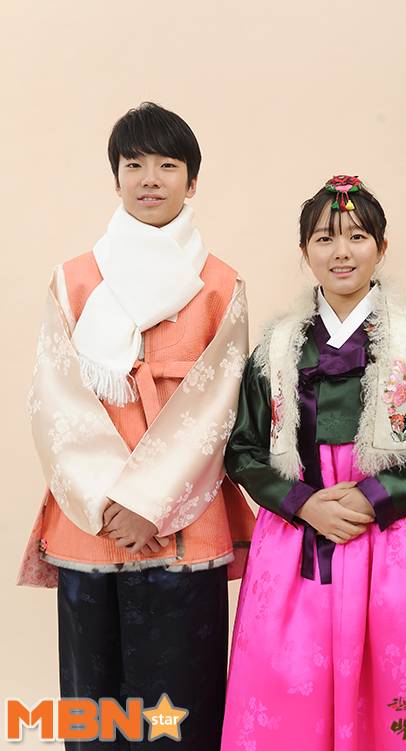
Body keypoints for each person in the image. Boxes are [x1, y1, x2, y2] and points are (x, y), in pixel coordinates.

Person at [221, 175, 406, 750]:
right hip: (303, 536)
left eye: (357, 236)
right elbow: (243, 450)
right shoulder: (276, 348)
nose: (341, 252)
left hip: (403, 534)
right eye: (324, 238)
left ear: (382, 246)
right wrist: (302, 504)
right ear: (304, 251)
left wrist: (376, 495)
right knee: (288, 682)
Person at [18, 101, 255, 750]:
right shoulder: (73, 279)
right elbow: (54, 395)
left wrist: (150, 501)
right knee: (94, 703)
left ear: (192, 181)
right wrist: (108, 501)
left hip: (183, 515)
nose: (150, 178)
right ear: (115, 177)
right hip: (91, 517)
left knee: (181, 701)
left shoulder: (220, 284)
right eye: (134, 164)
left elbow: (219, 404)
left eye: (168, 165)